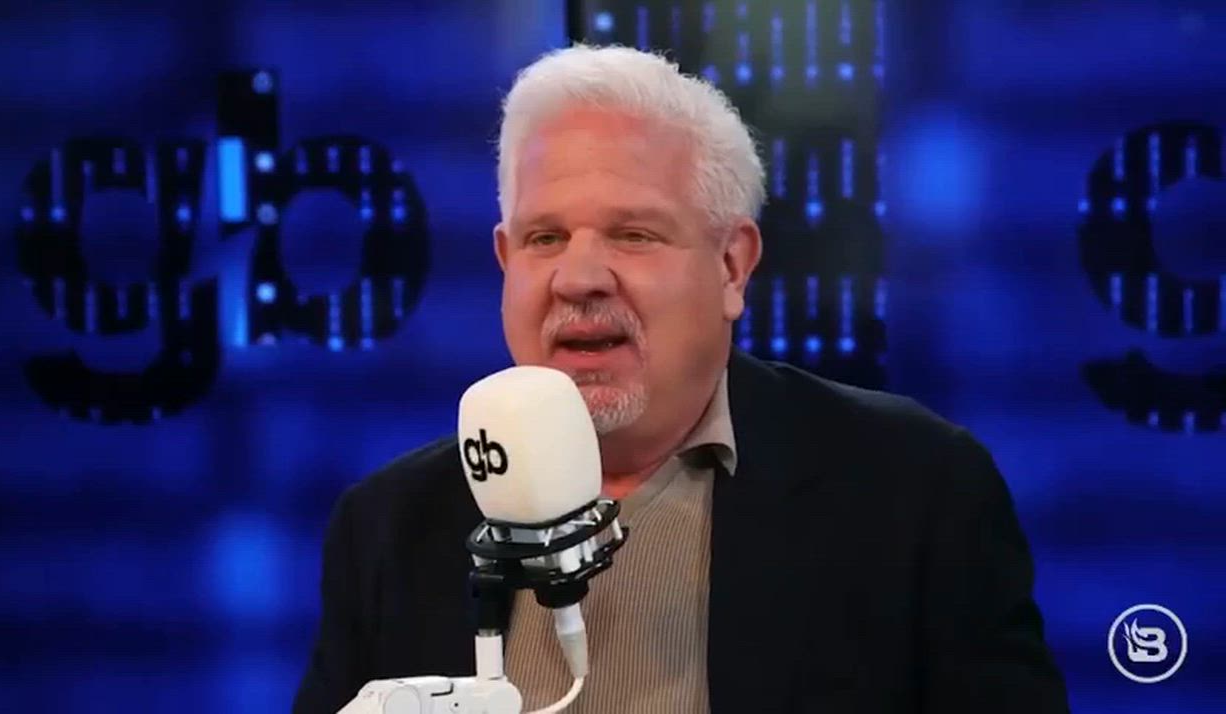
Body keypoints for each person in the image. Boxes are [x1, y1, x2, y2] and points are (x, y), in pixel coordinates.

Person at [293, 44, 1070, 713]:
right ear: (504, 261)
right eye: (545, 238)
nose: (578, 277)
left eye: (633, 234)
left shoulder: (915, 492)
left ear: (732, 266)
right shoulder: (388, 527)